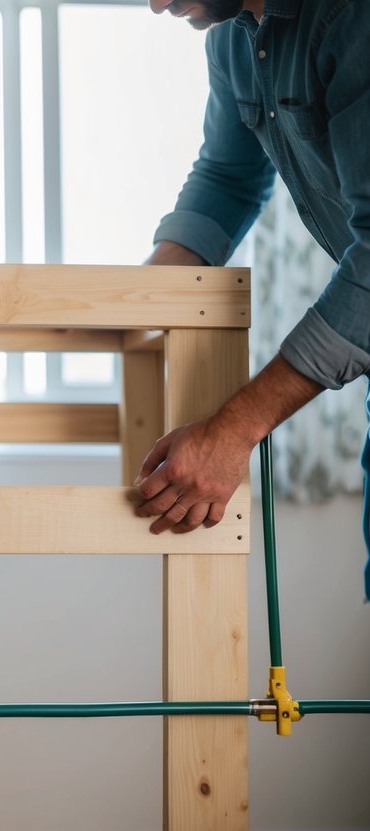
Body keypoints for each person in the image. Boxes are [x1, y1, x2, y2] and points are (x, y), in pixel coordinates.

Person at [135, 0, 370, 597]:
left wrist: (232, 432)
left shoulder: (350, 17)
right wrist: (129, 303)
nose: (156, 2)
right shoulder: (232, 39)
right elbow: (227, 177)